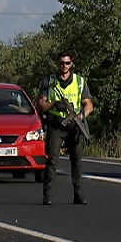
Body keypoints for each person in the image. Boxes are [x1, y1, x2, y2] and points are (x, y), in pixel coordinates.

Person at [37, 51, 94, 206]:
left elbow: (89, 104)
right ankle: (47, 196)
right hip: (56, 124)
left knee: (76, 160)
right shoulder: (49, 81)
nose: (64, 66)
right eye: (62, 63)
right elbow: (41, 104)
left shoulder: (79, 81)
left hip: (74, 125)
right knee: (52, 159)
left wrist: (80, 118)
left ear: (72, 64)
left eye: (67, 63)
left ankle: (79, 195)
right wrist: (54, 104)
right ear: (58, 64)